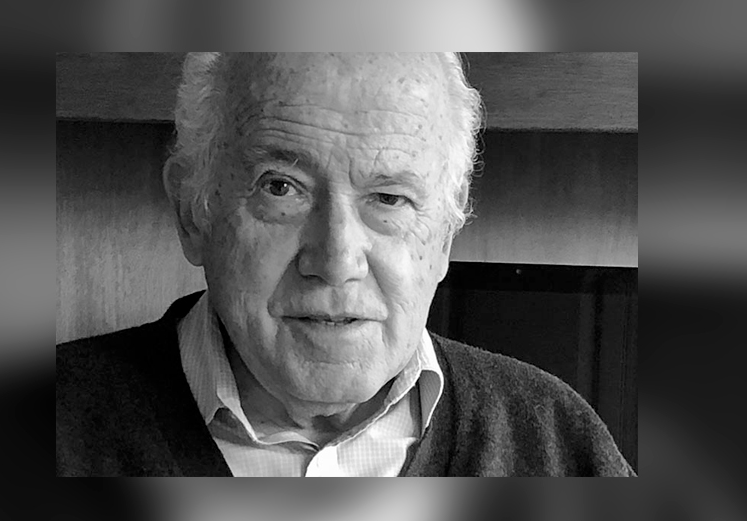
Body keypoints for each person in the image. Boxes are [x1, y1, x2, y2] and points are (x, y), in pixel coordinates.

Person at [56, 52, 634, 476]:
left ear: (446, 234)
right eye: (281, 187)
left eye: (389, 198)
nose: (336, 261)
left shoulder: (556, 442)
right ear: (193, 212)